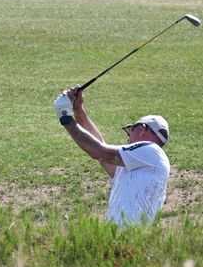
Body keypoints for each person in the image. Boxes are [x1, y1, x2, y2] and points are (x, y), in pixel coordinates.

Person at [55, 86, 171, 225]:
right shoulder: (138, 163)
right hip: (119, 240)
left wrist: (65, 117)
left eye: (131, 130)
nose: (128, 138)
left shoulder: (151, 151)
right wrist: (78, 109)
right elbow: (100, 147)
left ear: (142, 130)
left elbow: (99, 151)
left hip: (130, 240)